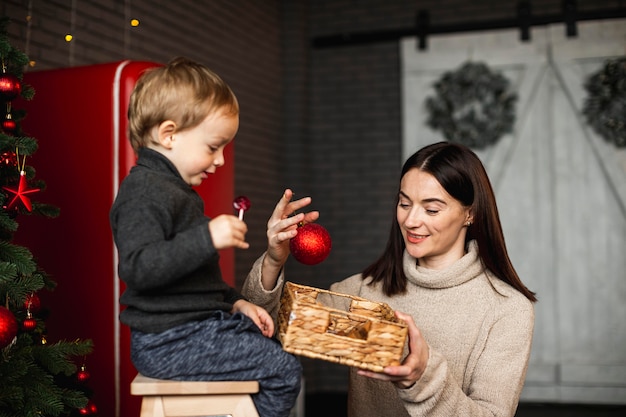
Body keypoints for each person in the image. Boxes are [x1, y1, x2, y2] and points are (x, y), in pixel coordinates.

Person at [242, 141, 536, 417]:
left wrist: (422, 379)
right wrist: (273, 259)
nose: (410, 220)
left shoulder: (507, 309)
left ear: (469, 214)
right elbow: (267, 329)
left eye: (431, 209)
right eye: (404, 203)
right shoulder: (365, 289)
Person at [109, 57, 301, 417]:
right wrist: (207, 237)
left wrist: (237, 303)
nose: (221, 161)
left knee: (273, 344)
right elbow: (138, 269)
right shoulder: (144, 192)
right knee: (284, 370)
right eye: (213, 147)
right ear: (169, 135)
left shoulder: (175, 191)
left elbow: (197, 282)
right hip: (169, 341)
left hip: (194, 329)